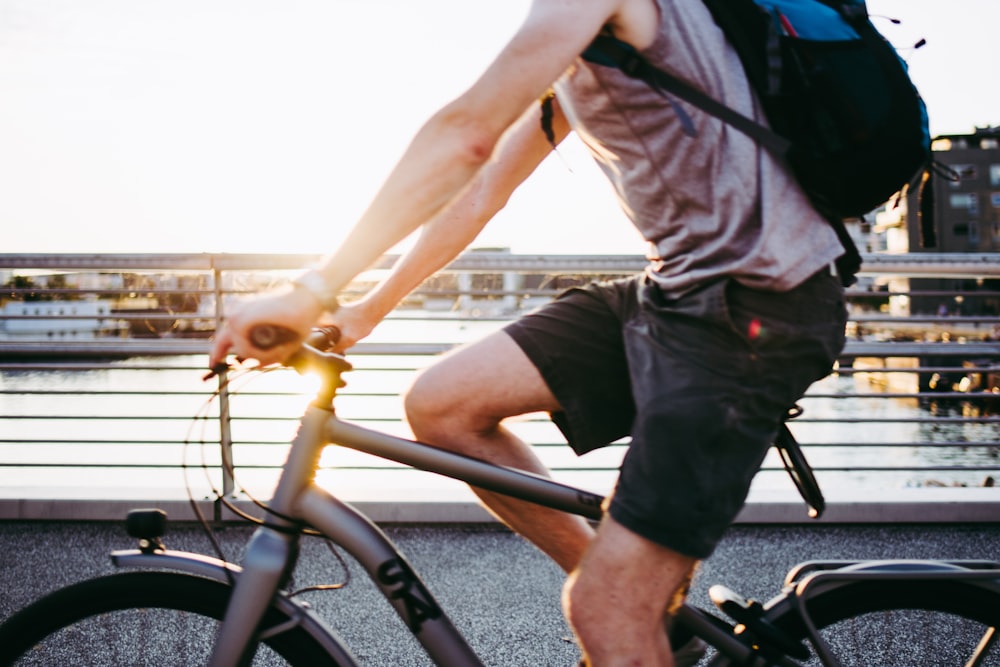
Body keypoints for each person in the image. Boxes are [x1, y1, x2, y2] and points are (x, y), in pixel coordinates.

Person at [209, 0, 849, 664]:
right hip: (677, 292)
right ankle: (653, 615)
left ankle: (626, 608)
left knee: (602, 608)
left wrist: (313, 287)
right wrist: (368, 306)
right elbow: (482, 186)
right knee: (444, 403)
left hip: (754, 309)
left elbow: (465, 134)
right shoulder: (586, 43)